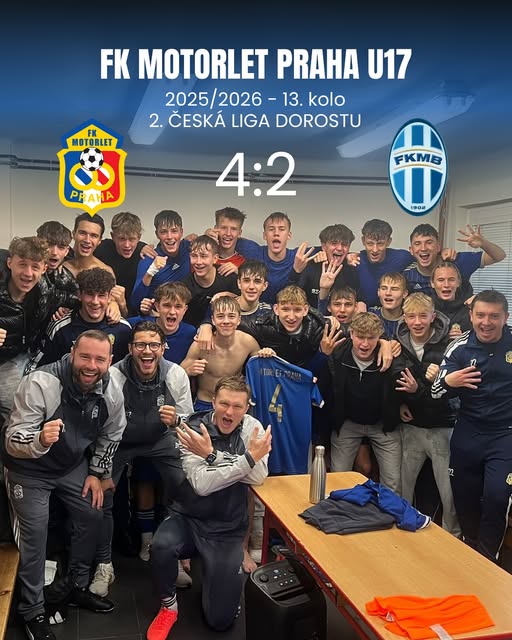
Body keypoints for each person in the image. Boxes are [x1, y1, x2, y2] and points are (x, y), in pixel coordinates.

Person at [2, 330, 127, 640]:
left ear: (110, 361)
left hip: (69, 465)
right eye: (84, 357)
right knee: (35, 535)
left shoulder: (112, 387)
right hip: (28, 468)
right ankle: (32, 611)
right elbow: (12, 439)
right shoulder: (41, 383)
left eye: (100, 359)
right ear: (72, 354)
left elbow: (112, 433)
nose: (91, 366)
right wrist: (40, 439)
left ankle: (75, 586)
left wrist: (96, 472)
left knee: (92, 512)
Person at [146, 375, 271, 640]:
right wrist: (244, 462)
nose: (229, 412)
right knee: (161, 546)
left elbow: (258, 477)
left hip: (227, 529)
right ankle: (168, 607)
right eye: (224, 404)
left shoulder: (253, 428)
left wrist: (211, 456)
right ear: (213, 401)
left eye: (237, 406)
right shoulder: (192, 427)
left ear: (247, 407)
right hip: (188, 519)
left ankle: (217, 577)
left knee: (219, 621)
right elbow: (202, 484)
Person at [90, 321, 193, 596]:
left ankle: (174, 557)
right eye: (140, 345)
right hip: (120, 440)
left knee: (183, 485)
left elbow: (187, 421)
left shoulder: (176, 374)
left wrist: (177, 419)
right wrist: (100, 471)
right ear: (130, 348)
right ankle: (104, 563)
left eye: (154, 345)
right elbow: (103, 426)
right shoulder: (114, 376)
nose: (147, 351)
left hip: (161, 439)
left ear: (163, 348)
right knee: (101, 494)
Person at [431, 290, 512, 562]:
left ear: (505, 317)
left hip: (505, 435)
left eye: (494, 316)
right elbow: (435, 392)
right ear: (471, 315)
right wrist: (449, 381)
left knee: (497, 496)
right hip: (468, 432)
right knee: (464, 499)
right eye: (480, 315)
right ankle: (471, 553)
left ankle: (489, 560)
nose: (486, 322)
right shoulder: (460, 347)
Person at [391, 293, 460, 536]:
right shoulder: (396, 343)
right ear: (404, 318)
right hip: (412, 425)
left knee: (448, 492)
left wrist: (437, 379)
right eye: (411, 316)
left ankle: (453, 537)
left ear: (433, 316)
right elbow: (396, 378)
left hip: (443, 426)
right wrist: (402, 402)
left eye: (423, 316)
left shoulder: (450, 344)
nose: (417, 322)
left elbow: (455, 391)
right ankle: (403, 533)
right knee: (404, 487)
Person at [328, 312, 401, 493]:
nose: (365, 344)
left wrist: (409, 398)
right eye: (360, 337)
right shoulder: (337, 353)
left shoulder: (391, 355)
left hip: (383, 425)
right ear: (351, 334)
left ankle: (388, 511)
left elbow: (405, 383)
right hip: (347, 423)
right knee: (338, 479)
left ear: (379, 337)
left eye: (371, 338)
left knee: (393, 482)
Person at [0, 236, 54, 426]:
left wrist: (113, 302)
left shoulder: (45, 291)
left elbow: (78, 297)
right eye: (22, 264)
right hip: (6, 361)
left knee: (19, 414)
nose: (28, 273)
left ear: (44, 269)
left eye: (35, 267)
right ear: (10, 263)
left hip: (21, 358)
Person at [181, 296, 266, 410]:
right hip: (206, 403)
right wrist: (188, 370)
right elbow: (178, 375)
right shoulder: (200, 345)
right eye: (220, 316)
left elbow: (263, 369)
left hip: (233, 404)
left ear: (239, 319)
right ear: (213, 320)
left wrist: (267, 353)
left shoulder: (248, 342)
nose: (226, 321)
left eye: (231, 316)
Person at [35, 267, 131, 367]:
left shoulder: (123, 329)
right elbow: (41, 367)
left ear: (109, 297)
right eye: (90, 294)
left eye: (101, 295)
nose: (95, 301)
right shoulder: (60, 328)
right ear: (79, 295)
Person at [404, 223, 505, 296]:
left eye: (429, 242)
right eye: (417, 244)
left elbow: (499, 256)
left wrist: (483, 243)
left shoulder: (458, 261)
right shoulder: (407, 276)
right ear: (411, 250)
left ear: (438, 247)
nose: (423, 248)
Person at [131, 210, 191, 312]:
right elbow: (135, 303)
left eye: (174, 231)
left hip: (182, 313)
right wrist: (151, 272)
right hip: (156, 315)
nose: (169, 237)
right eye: (164, 232)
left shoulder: (188, 248)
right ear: (157, 234)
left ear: (181, 232)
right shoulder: (148, 260)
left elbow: (210, 249)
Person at [94, 211, 152, 314]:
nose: (127, 245)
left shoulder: (144, 254)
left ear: (139, 237)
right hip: (103, 308)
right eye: (121, 239)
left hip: (135, 311)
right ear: (113, 236)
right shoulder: (101, 249)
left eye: (132, 239)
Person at [289, 224, 359, 308]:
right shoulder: (310, 264)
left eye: (344, 244)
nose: (340, 248)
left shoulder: (351, 267)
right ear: (323, 246)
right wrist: (296, 270)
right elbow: (291, 297)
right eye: (334, 243)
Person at [129, 282, 196, 365]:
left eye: (178, 306)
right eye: (167, 305)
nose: (172, 312)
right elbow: (120, 323)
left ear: (185, 309)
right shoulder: (139, 324)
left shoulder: (190, 333)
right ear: (157, 306)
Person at [180, 235, 239, 327]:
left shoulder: (228, 277)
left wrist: (229, 295)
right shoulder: (185, 286)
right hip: (196, 332)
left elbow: (245, 303)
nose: (198, 262)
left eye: (204, 256)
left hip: (226, 329)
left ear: (215, 258)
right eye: (194, 256)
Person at [355, 219, 414, 307]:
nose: (375, 250)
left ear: (388, 241)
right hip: (365, 313)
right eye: (370, 243)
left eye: (380, 244)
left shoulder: (402, 257)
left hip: (394, 311)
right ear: (363, 241)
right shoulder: (355, 260)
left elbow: (426, 259)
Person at [430, 261, 472, 337]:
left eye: (451, 280)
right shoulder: (427, 308)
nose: (446, 285)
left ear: (458, 282)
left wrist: (463, 339)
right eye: (441, 280)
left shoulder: (470, 307)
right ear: (432, 283)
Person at [368, 272, 408, 338]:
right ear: (378, 292)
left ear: (404, 293)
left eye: (394, 289)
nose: (388, 293)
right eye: (384, 288)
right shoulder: (369, 315)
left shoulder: (410, 319)